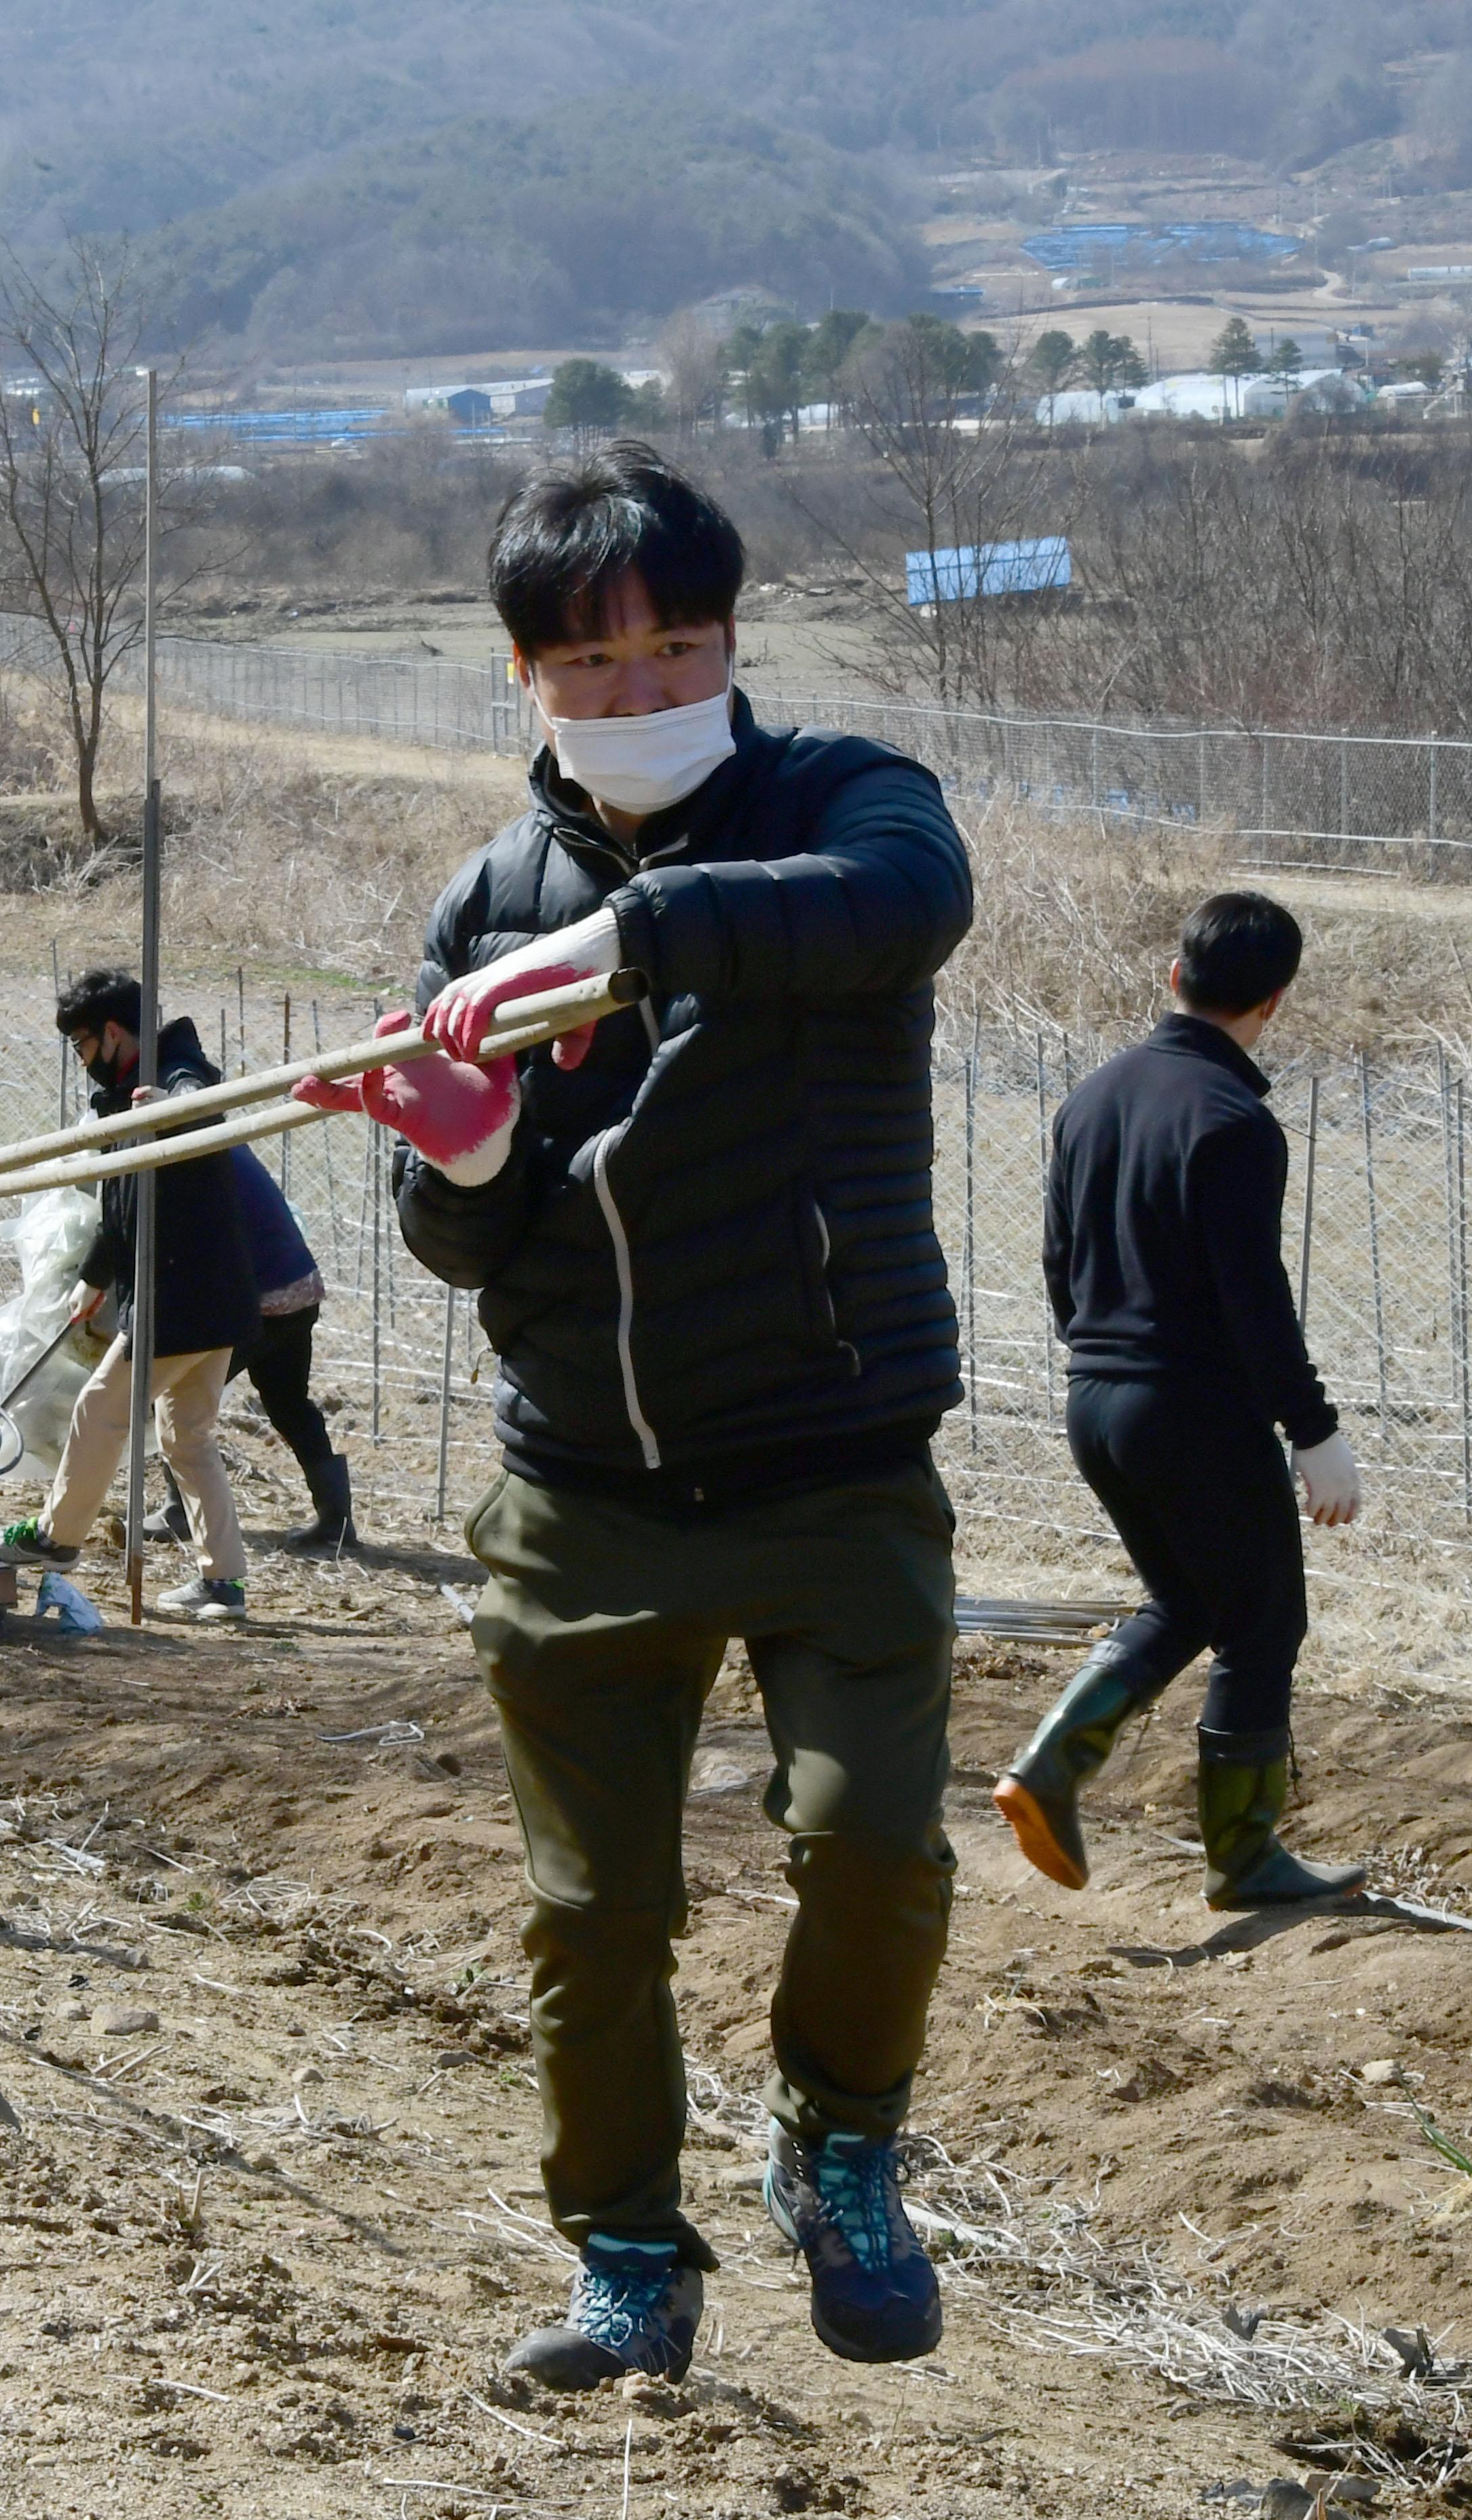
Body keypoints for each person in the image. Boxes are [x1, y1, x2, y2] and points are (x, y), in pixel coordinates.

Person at [295, 441, 971, 2387]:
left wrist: (633, 941)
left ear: (733, 642)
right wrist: (469, 1141)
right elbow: (455, 1240)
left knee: (871, 1852)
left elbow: (902, 904)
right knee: (595, 1922)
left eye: (678, 648)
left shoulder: (849, 803)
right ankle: (625, 2258)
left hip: (838, 1462)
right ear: (527, 680)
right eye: (594, 668)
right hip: (581, 1492)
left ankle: (838, 2145)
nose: (644, 694)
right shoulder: (483, 899)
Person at [1002, 890, 1366, 1910]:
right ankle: (1245, 1860)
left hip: (1095, 1402)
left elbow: (1059, 1265)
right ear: (1277, 1002)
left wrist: (1107, 1362)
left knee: (1192, 1600)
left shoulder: (1091, 1097)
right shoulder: (1235, 1123)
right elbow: (1256, 1301)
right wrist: (1315, 1430)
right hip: (1192, 1411)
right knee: (1261, 1626)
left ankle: (1048, 1767)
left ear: (1175, 979)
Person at [0, 970, 257, 1623]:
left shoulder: (177, 1071)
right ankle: (224, 1581)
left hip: (182, 1298)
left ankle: (58, 1539)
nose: (81, 1060)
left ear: (114, 1032)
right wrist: (94, 1276)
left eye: (82, 1044)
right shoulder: (125, 1095)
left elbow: (202, 1102)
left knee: (100, 1410)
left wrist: (164, 1107)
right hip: (214, 1298)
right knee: (187, 1438)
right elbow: (125, 1204)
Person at [145, 1145, 355, 1555]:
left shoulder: (182, 1160)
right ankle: (337, 1523)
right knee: (290, 1403)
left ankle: (180, 1511)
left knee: (176, 1397)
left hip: (255, 1299)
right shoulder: (226, 1143)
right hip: (298, 1288)